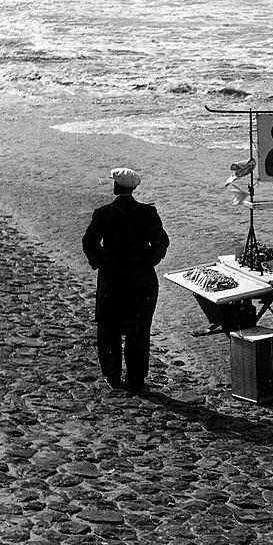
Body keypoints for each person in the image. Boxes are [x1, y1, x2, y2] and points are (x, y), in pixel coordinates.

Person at [82, 168, 170, 393]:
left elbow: (89, 243)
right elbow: (161, 242)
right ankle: (135, 378)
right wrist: (148, 261)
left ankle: (112, 375)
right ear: (134, 189)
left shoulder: (102, 213)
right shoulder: (148, 213)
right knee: (139, 330)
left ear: (115, 188)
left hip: (112, 280)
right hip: (142, 280)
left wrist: (102, 262)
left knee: (109, 328)